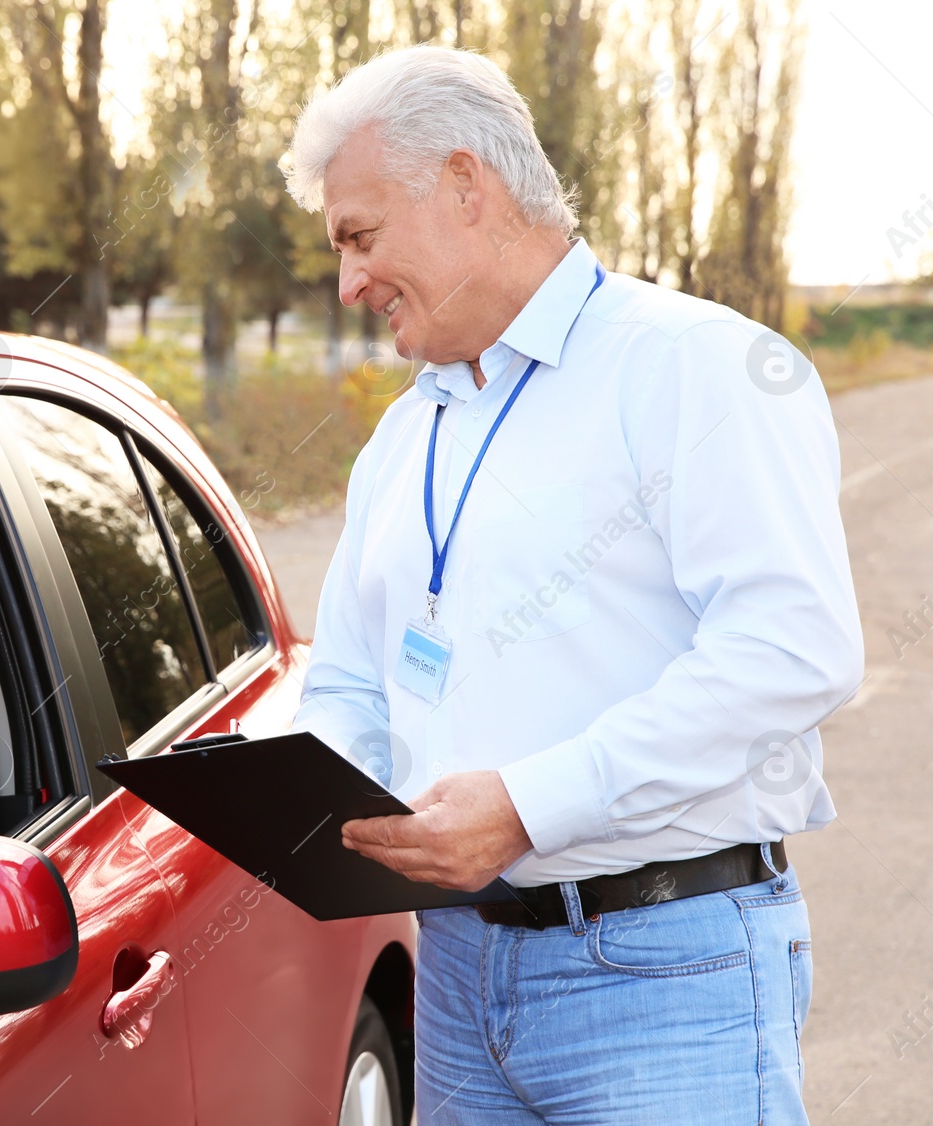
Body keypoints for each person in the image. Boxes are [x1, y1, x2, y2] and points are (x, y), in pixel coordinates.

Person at [279, 45, 862, 1124]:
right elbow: (352, 679)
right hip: (454, 973)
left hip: (662, 973)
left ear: (466, 186)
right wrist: (345, 808)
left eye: (359, 238)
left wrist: (526, 806)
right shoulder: (404, 436)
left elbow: (792, 649)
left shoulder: (697, 367)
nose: (348, 282)